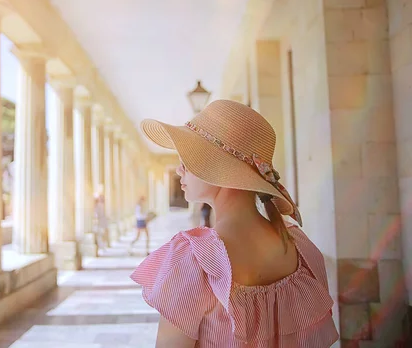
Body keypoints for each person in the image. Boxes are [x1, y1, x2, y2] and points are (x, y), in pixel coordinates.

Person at [130, 100, 338, 347]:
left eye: (188, 157)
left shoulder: (194, 260)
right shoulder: (302, 249)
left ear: (218, 168)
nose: (179, 169)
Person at [94, 186, 109, 251]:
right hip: (99, 221)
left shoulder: (101, 205)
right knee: (100, 234)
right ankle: (101, 246)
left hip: (102, 220)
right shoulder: (97, 205)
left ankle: (103, 245)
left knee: (104, 232)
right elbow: (96, 214)